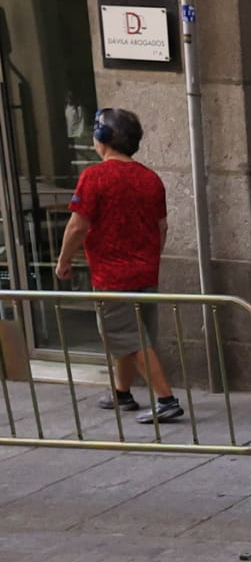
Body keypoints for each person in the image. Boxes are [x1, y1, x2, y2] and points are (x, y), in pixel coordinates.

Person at [54, 108, 184, 425]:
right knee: (133, 335)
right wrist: (149, 258)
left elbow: (77, 226)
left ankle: (166, 399)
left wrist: (64, 259)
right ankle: (122, 393)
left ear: (102, 138)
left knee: (127, 336)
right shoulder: (150, 178)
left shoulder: (94, 177)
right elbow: (162, 227)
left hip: (112, 275)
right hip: (145, 272)